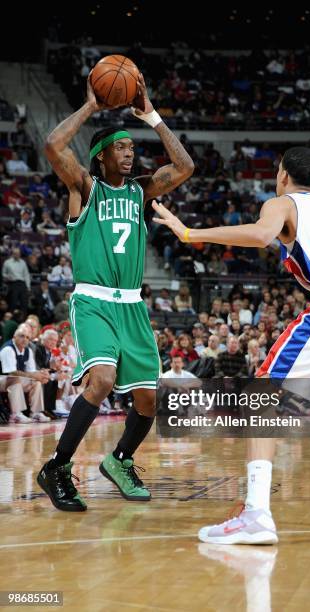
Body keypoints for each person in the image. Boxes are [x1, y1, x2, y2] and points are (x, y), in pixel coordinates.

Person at [153, 145, 310, 542]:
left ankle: (255, 514)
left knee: (260, 393)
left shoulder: (282, 203)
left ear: (283, 175)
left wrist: (189, 232)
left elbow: (260, 235)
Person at [37, 72, 194, 511]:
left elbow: (184, 168)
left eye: (132, 147)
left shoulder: (142, 192)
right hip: (93, 301)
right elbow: (53, 146)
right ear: (101, 155)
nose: (130, 154)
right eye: (121, 147)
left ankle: (120, 459)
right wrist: (91, 106)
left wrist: (153, 116)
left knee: (148, 399)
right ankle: (57, 466)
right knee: (102, 380)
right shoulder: (84, 188)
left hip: (132, 306)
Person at [0, 324, 50, 423]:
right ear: (14, 337)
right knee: (15, 379)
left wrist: (41, 374)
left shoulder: (28, 351)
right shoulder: (8, 349)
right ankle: (16, 414)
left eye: (27, 337)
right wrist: (34, 375)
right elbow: (11, 372)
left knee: (36, 382)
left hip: (13, 381)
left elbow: (31, 372)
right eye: (22, 336)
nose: (25, 339)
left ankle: (35, 413)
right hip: (3, 379)